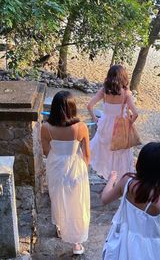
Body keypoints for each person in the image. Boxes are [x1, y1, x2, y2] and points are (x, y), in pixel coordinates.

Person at [41, 91, 90, 255]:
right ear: (72, 108)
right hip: (75, 167)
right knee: (76, 202)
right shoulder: (81, 127)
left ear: (54, 108)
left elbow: (46, 151)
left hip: (55, 166)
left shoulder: (46, 128)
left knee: (58, 198)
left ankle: (60, 227)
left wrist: (58, 160)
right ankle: (76, 243)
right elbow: (87, 155)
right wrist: (83, 169)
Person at [87, 64, 138, 181]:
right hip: (120, 127)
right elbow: (135, 113)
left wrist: (95, 119)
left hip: (105, 125)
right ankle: (121, 181)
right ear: (123, 77)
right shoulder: (126, 94)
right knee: (121, 155)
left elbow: (89, 106)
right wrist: (129, 124)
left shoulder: (104, 90)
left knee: (106, 153)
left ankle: (109, 178)